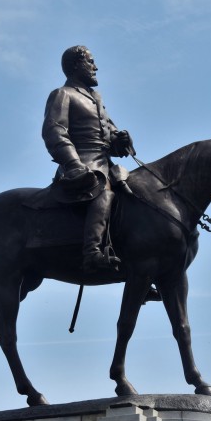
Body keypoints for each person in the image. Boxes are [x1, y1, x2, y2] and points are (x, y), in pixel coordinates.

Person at [42, 45, 133, 272]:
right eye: (90, 62)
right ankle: (92, 253)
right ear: (76, 65)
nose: (95, 67)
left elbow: (108, 134)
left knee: (140, 194)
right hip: (83, 163)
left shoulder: (95, 98)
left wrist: (120, 140)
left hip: (105, 162)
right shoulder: (63, 94)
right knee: (104, 193)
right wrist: (73, 164)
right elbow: (54, 131)